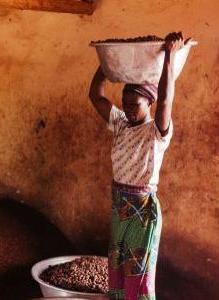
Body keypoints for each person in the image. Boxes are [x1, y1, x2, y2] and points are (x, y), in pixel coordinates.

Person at [88, 32, 190, 300]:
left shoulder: (156, 133)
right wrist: (108, 63)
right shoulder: (120, 123)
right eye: (126, 103)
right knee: (117, 273)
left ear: (150, 103)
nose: (129, 109)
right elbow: (95, 95)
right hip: (118, 208)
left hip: (142, 213)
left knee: (139, 278)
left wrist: (169, 55)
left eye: (135, 104)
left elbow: (167, 100)